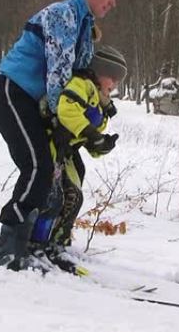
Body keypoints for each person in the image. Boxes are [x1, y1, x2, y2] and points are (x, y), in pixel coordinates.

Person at [0, 0, 120, 271]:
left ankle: (38, 243)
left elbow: (80, 77)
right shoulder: (64, 14)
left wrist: (92, 113)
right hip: (13, 92)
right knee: (37, 167)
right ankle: (8, 247)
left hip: (38, 102)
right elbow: (59, 70)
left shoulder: (85, 25)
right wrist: (60, 117)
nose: (112, 3)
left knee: (57, 173)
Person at [29, 46, 127, 275]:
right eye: (112, 77)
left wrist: (101, 145)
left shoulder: (100, 105)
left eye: (118, 80)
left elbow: (87, 140)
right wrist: (92, 134)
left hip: (67, 154)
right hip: (52, 146)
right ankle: (35, 244)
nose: (114, 83)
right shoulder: (82, 84)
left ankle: (58, 243)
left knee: (74, 196)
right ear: (98, 72)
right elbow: (67, 110)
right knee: (53, 199)